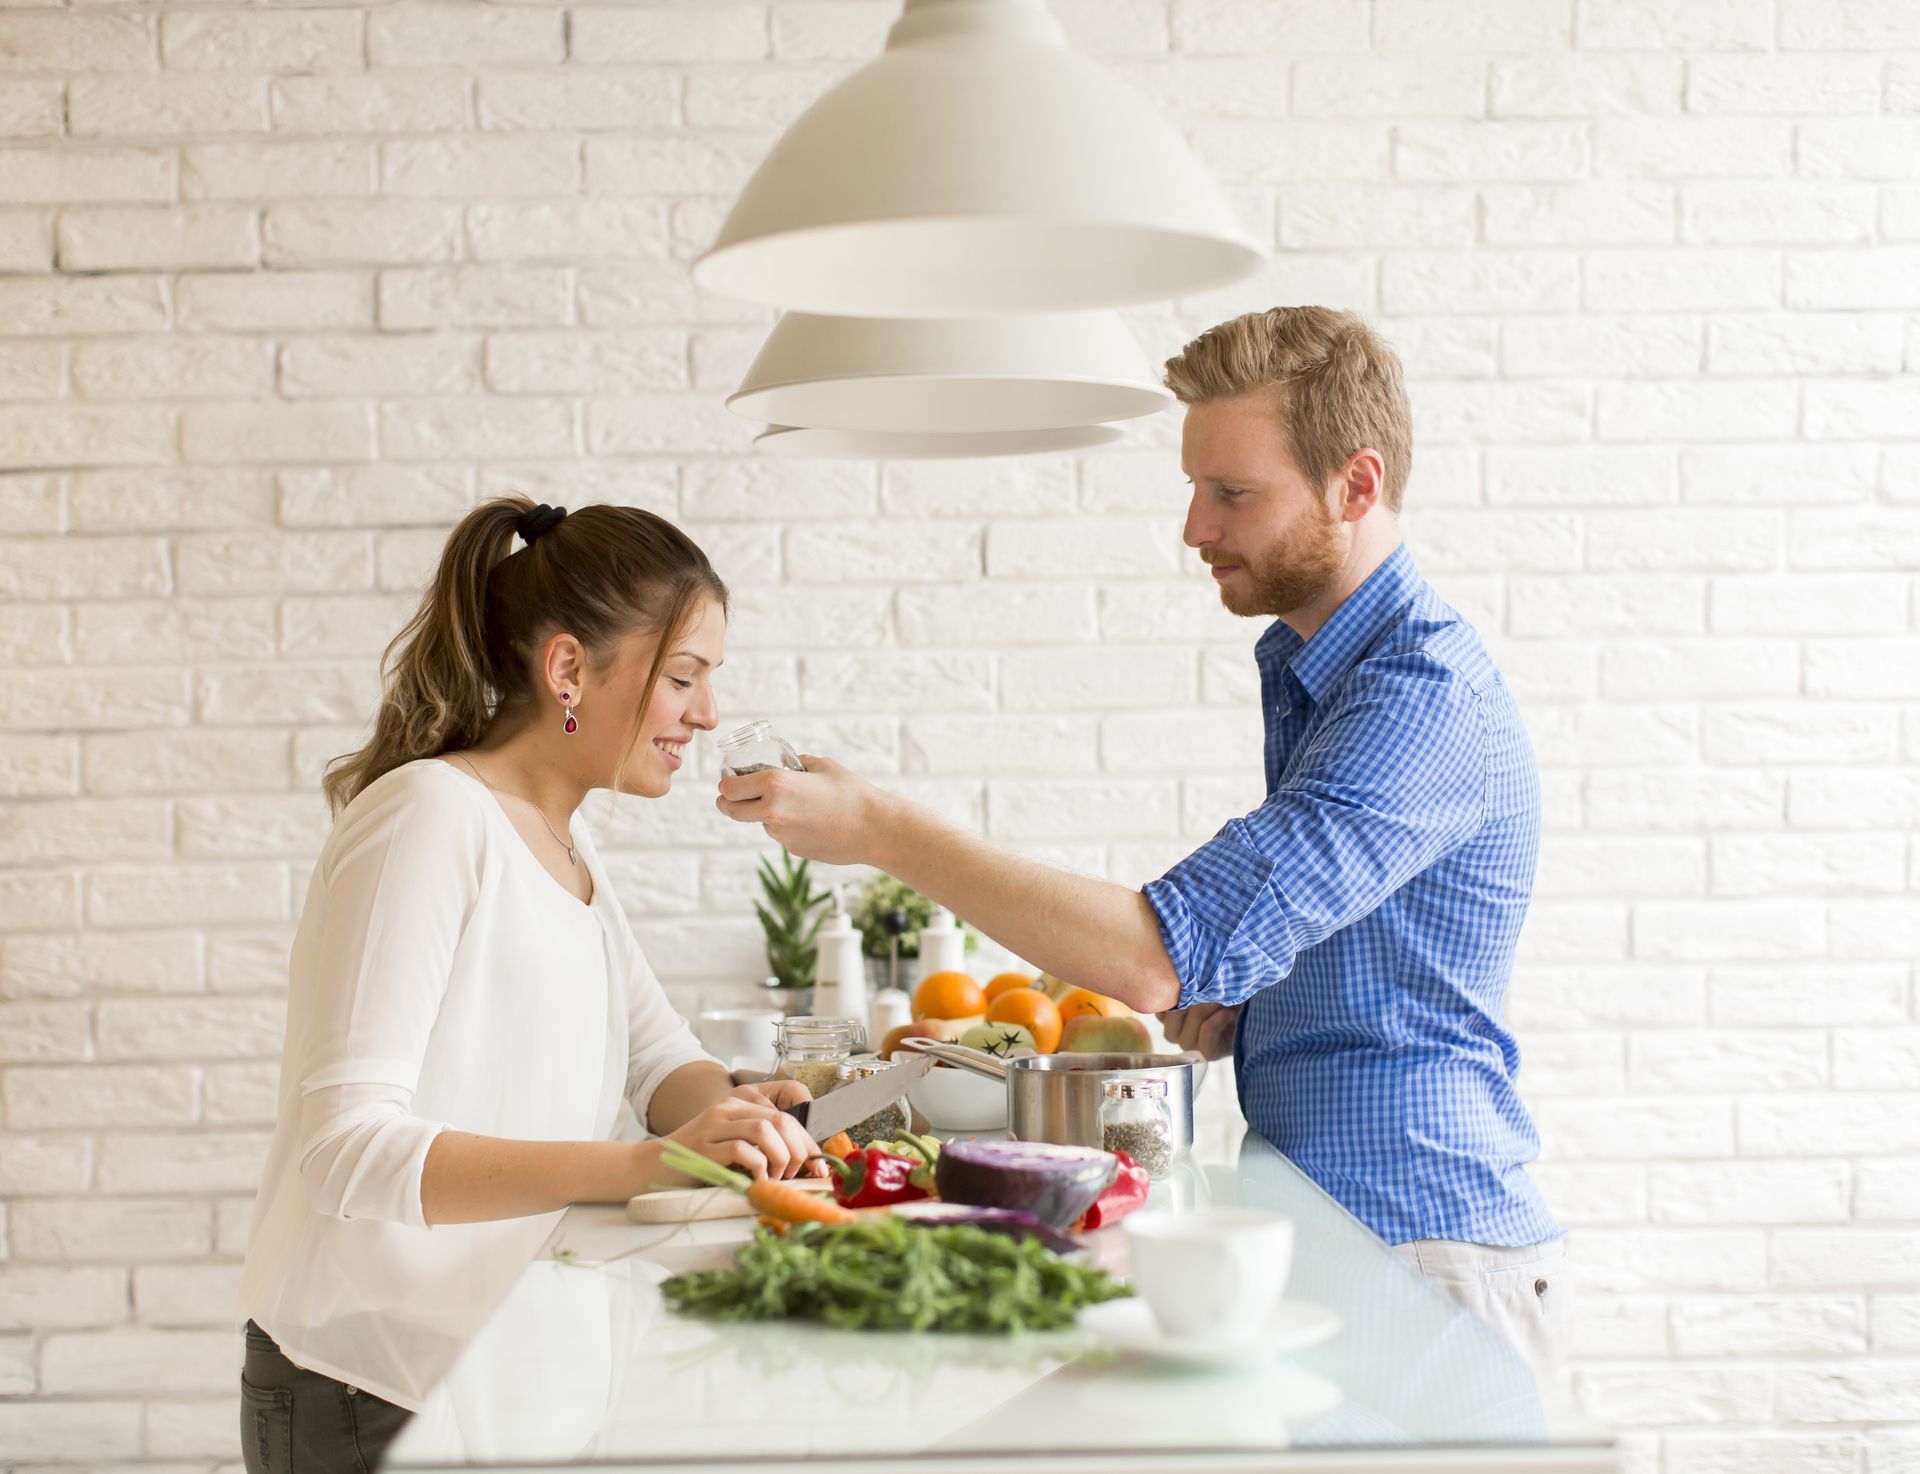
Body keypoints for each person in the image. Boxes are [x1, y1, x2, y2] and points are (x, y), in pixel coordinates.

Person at [716, 307, 1571, 1377]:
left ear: (1356, 485)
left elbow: (1150, 953)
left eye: (1234, 493)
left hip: (1422, 1254)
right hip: (1348, 1233)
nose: (1195, 528)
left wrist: (882, 828)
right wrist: (1256, 1002)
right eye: (1195, 488)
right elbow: (1355, 937)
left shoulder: (1419, 699)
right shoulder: (1329, 676)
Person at [237, 498, 823, 1474]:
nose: (708, 713)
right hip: (373, 1385)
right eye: (683, 676)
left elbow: (656, 1053)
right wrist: (648, 1164)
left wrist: (735, 1120)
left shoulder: (565, 838)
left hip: (502, 1367)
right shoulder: (428, 818)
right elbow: (348, 1152)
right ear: (566, 669)